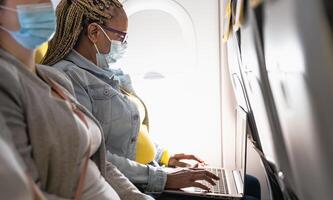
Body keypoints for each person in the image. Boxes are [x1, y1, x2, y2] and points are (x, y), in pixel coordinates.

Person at [42, 0, 221, 194]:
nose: (124, 43)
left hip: (148, 171)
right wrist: (164, 178)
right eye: (121, 36)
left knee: (247, 184)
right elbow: (94, 156)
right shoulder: (67, 78)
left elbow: (128, 135)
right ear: (94, 32)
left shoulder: (106, 71)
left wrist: (164, 157)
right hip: (131, 184)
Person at [0, 0, 154, 199]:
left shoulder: (52, 78)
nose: (45, 4)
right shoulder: (7, 81)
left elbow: (97, 160)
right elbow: (19, 192)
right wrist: (159, 179)